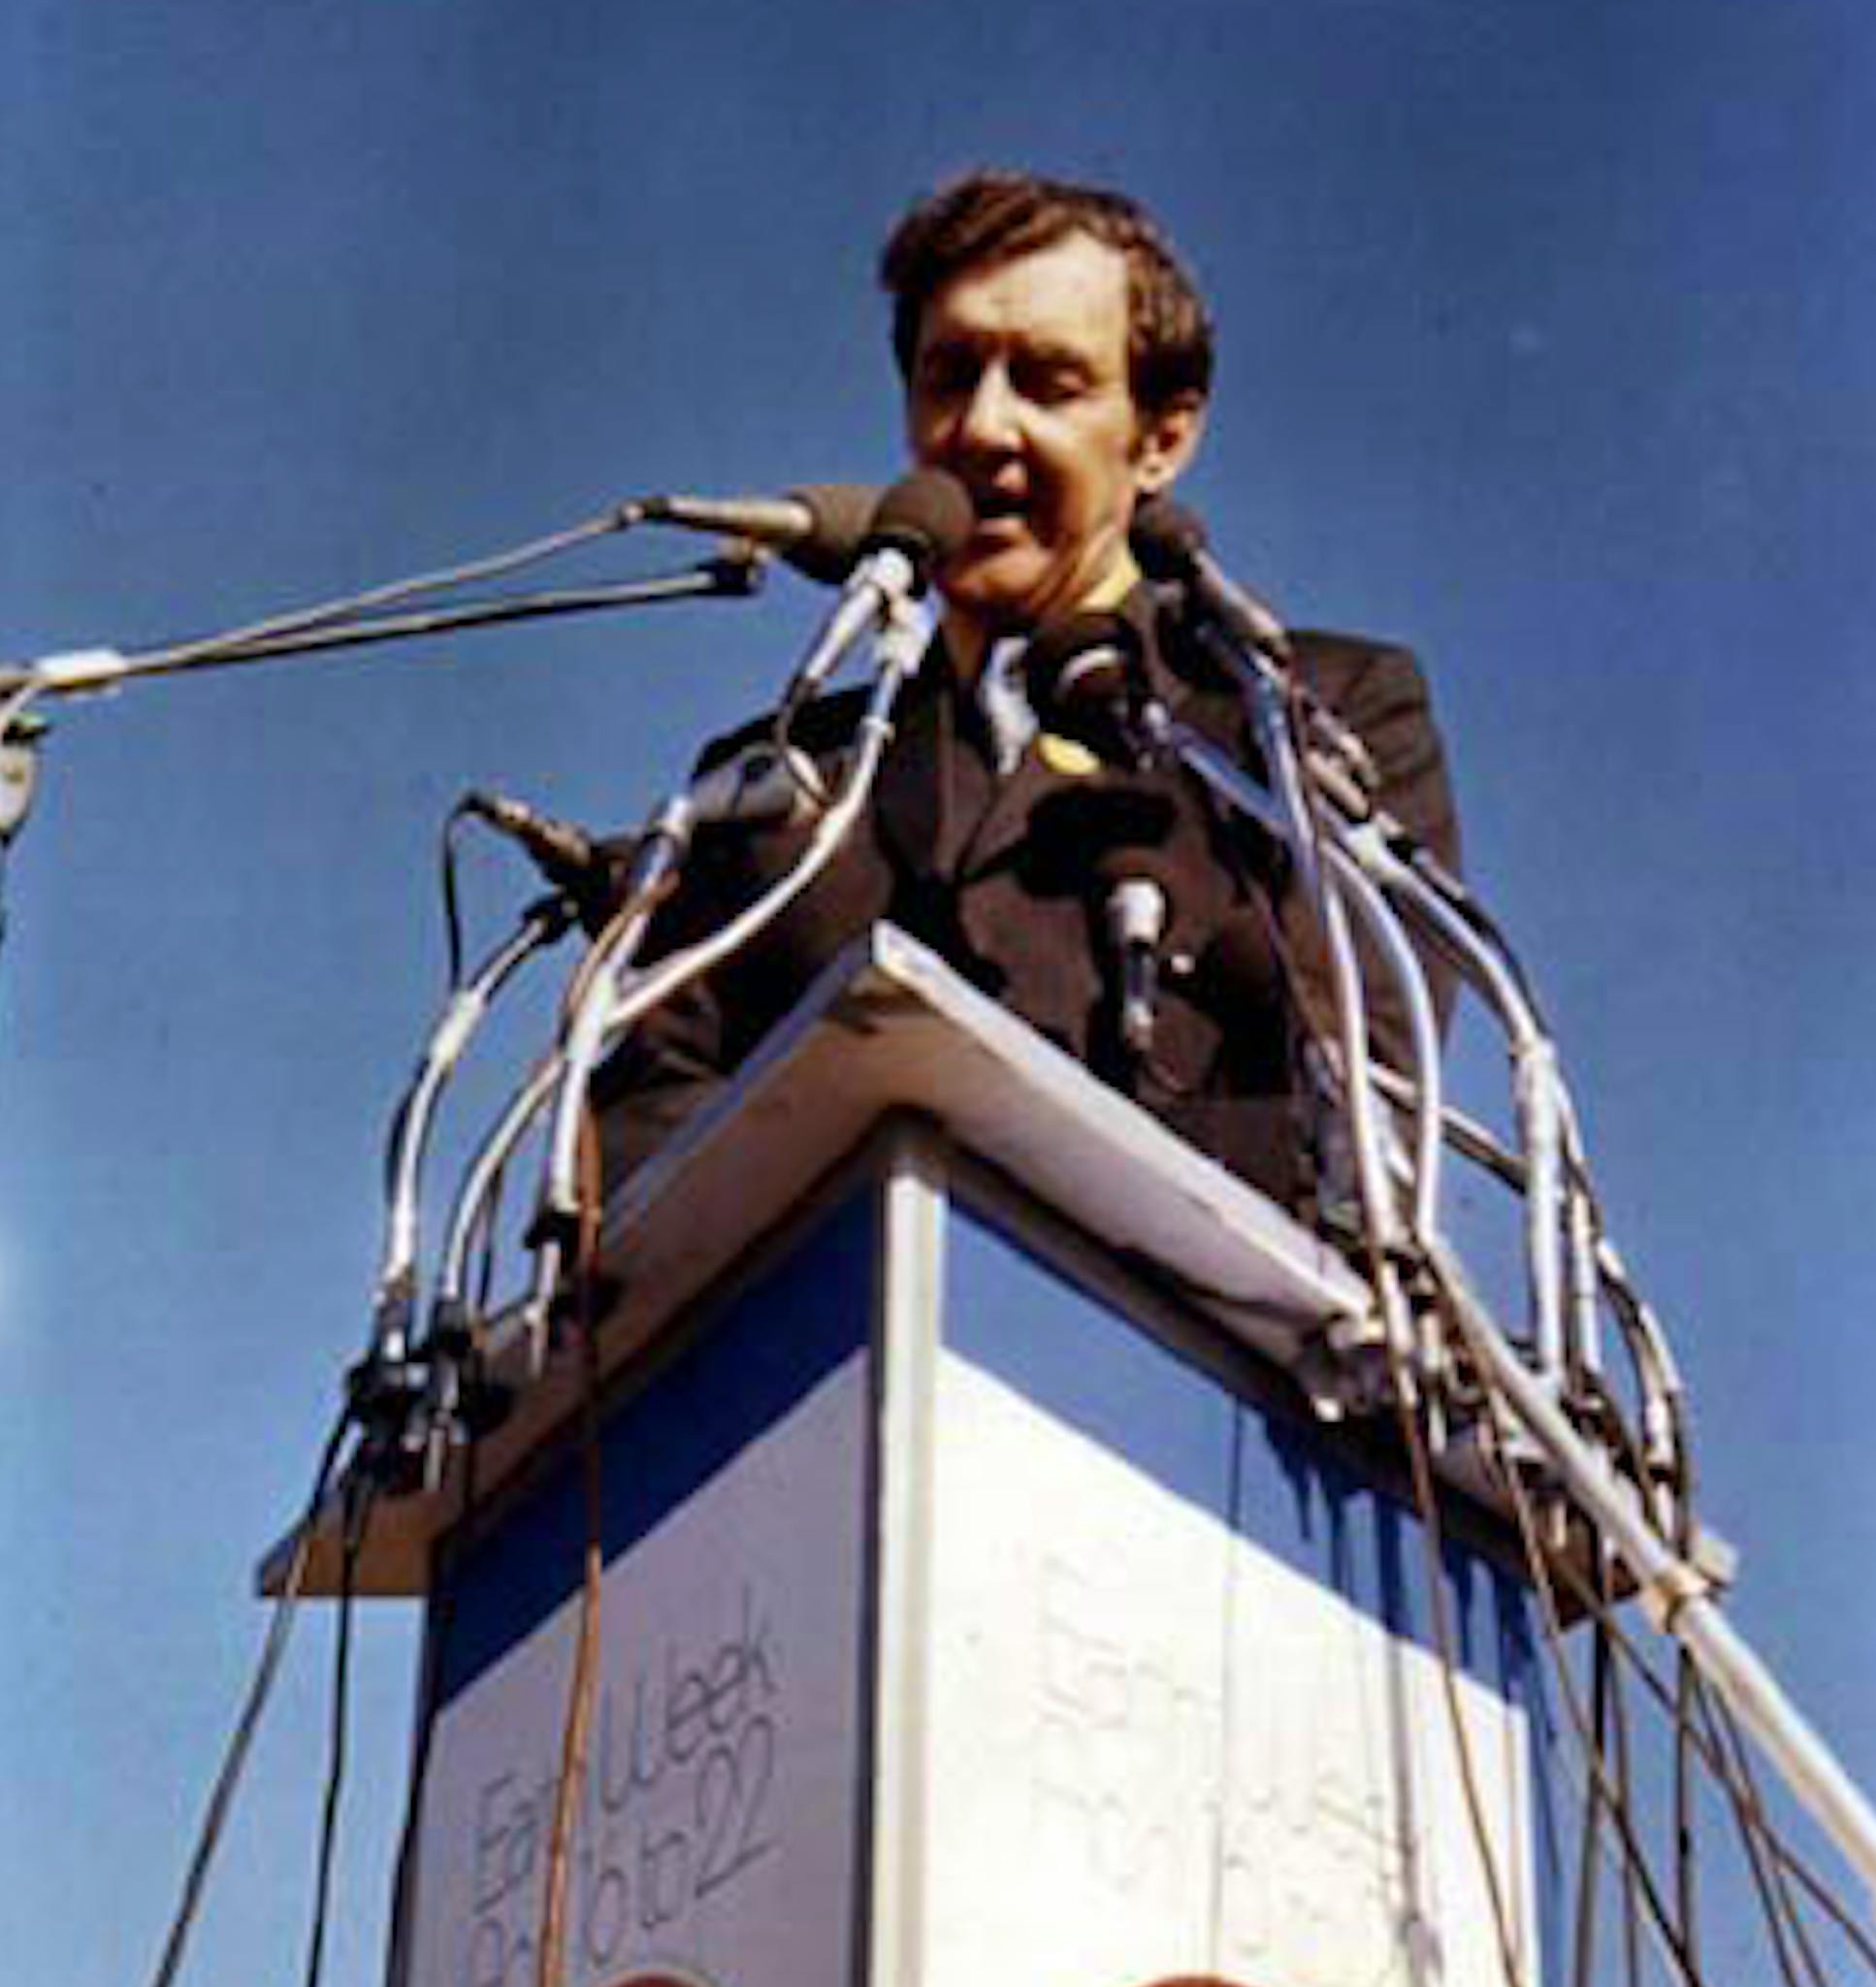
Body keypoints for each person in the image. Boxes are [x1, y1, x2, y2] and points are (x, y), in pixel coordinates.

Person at [597, 168, 1462, 1213]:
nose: (980, 428)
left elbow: (1350, 1113)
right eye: (947, 375)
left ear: (1161, 439)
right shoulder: (775, 784)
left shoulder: (1297, 711)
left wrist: (967, 1175)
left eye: (1047, 383)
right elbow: (639, 1131)